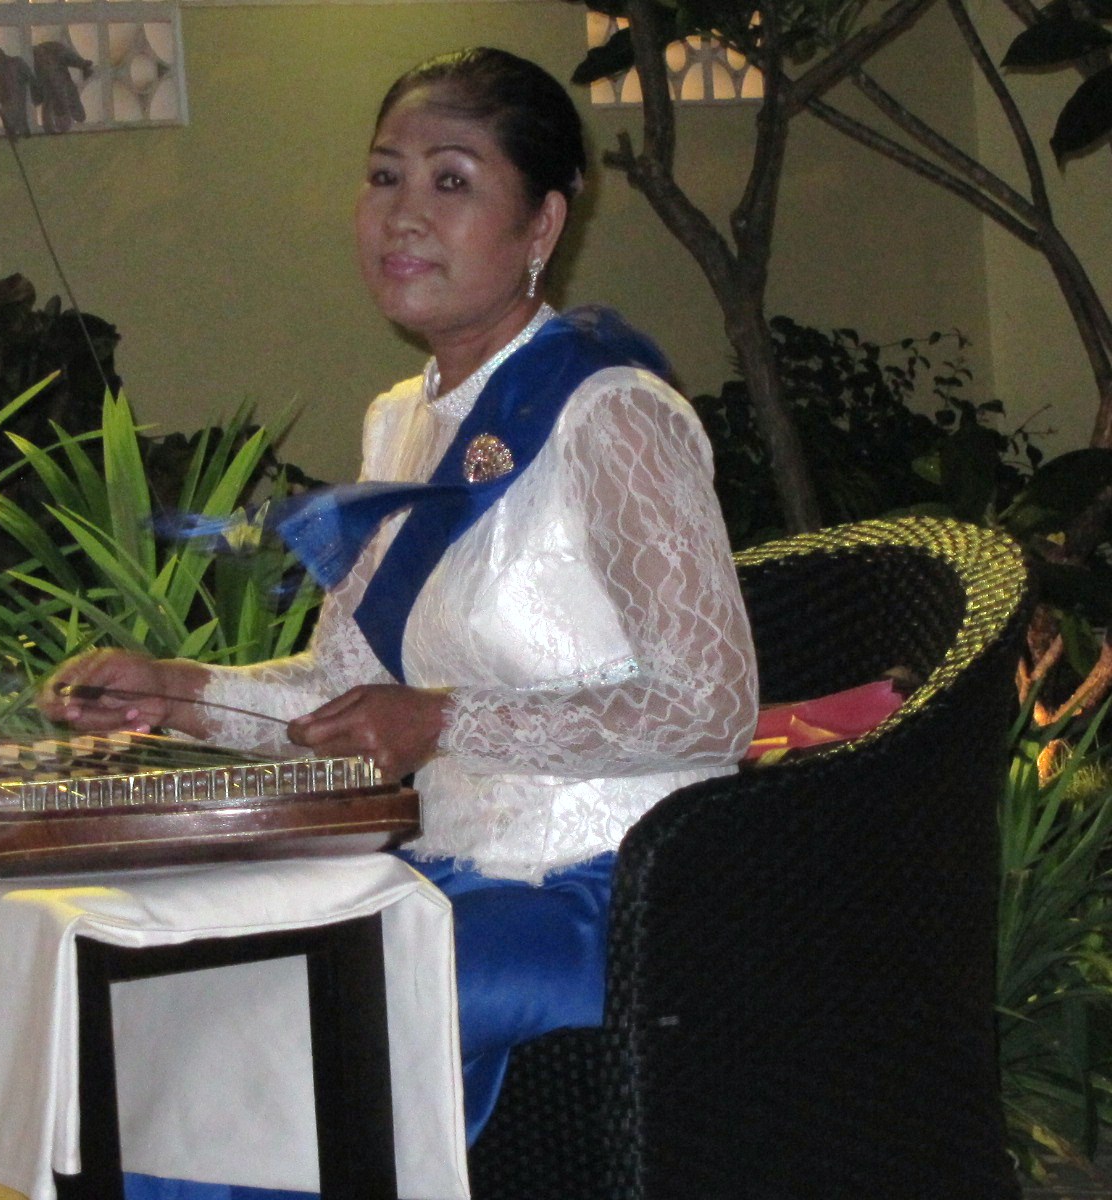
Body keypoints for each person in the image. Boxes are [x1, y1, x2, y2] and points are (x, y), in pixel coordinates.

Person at [42, 46, 758, 1192]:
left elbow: (710, 708)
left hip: (610, 896)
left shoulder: (612, 412)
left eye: (451, 180)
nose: (403, 215)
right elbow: (347, 697)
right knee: (150, 1020)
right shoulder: (398, 424)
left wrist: (444, 722)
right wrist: (179, 693)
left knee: (254, 1057)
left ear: (542, 225)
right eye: (384, 177)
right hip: (437, 876)